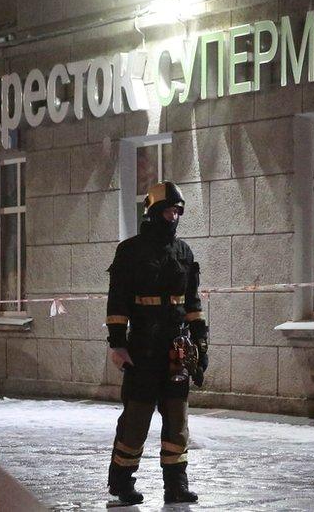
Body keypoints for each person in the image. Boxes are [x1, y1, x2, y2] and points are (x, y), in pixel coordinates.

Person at [104, 181, 208, 505]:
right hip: (142, 348)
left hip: (176, 348)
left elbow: (192, 303)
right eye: (168, 210)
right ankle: (122, 484)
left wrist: (200, 344)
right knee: (136, 418)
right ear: (152, 212)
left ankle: (176, 485)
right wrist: (118, 344)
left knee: (177, 418)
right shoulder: (130, 251)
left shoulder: (184, 252)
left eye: (178, 211)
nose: (174, 217)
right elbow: (117, 302)